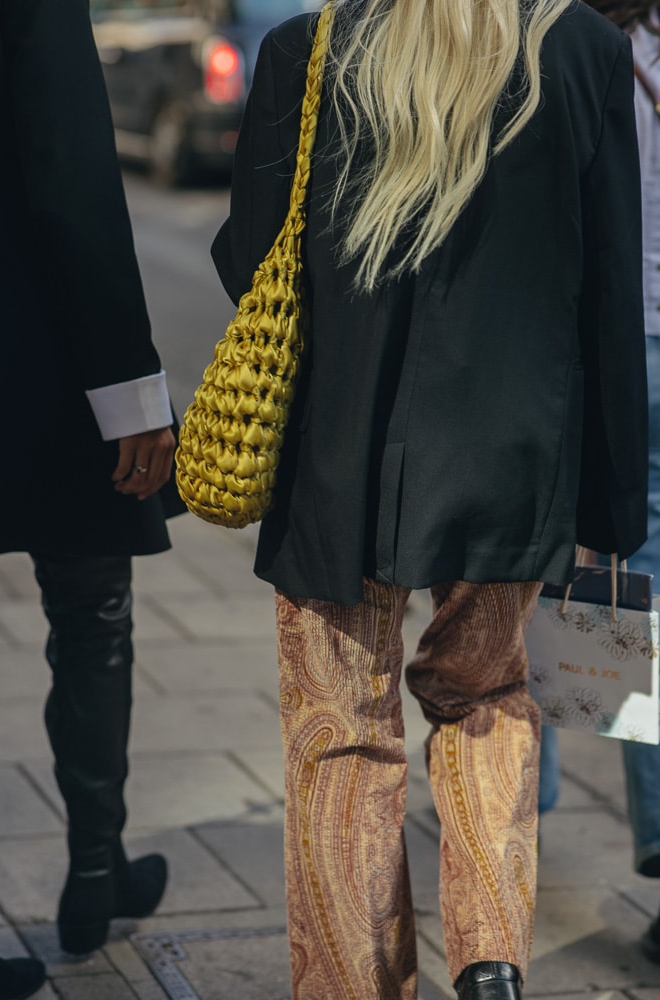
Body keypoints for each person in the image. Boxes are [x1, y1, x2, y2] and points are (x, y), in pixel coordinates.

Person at [211, 0, 648, 997]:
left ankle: (353, 982)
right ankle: (490, 960)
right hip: (512, 453)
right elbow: (608, 285)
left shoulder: (306, 49)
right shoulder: (576, 46)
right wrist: (614, 508)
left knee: (338, 729)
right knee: (487, 699)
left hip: (337, 452)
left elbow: (251, 257)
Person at [0, 0, 184, 991]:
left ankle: (98, 878)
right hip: (33, 350)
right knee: (90, 607)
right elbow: (69, 168)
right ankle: (93, 871)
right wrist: (132, 389)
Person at [536, 0, 660, 966]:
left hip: (602, 345)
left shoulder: (556, 39)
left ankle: (509, 804)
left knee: (592, 585)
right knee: (633, 592)